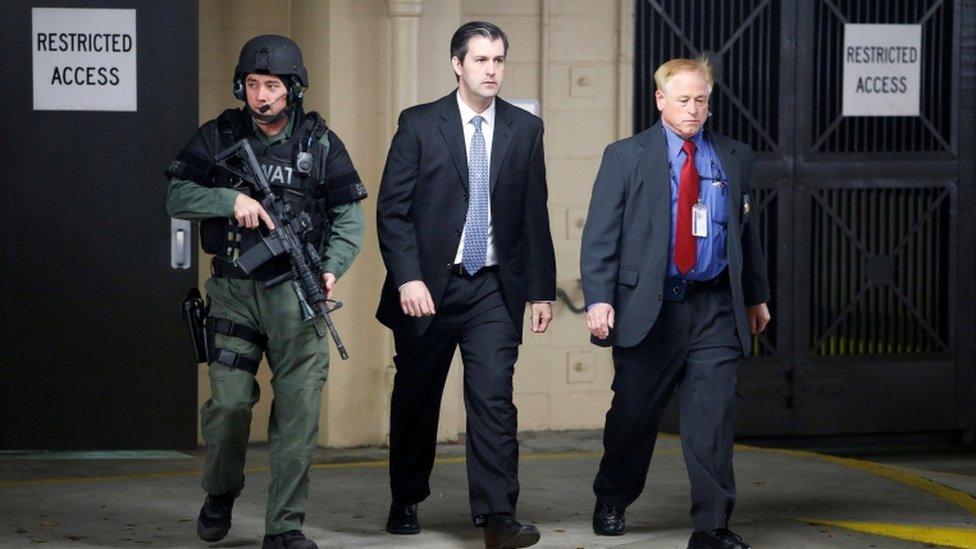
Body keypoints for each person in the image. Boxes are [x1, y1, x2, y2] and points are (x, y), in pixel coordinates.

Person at [166, 34, 366, 549]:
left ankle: (284, 526)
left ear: (292, 89)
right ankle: (221, 490)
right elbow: (176, 194)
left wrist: (331, 269)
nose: (261, 96)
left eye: (272, 85)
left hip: (296, 297)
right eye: (253, 84)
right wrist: (229, 199)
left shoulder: (321, 143)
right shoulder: (220, 134)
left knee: (298, 416)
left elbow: (348, 217)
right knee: (229, 407)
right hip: (234, 290)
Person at [375, 21, 556, 549]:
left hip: (493, 290)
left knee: (495, 399)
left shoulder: (525, 129)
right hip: (427, 288)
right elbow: (393, 211)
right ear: (458, 64)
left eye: (498, 60)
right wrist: (406, 277)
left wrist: (540, 290)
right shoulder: (419, 124)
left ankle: (498, 516)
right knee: (416, 397)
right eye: (481, 60)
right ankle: (405, 497)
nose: (492, 70)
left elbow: (533, 214)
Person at [580, 56, 771, 549]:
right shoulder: (625, 156)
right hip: (651, 307)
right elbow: (600, 236)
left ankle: (711, 527)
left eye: (701, 100)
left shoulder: (733, 156)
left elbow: (749, 237)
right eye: (683, 100)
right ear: (660, 100)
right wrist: (599, 300)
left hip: (714, 308)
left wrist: (756, 297)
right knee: (634, 415)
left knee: (711, 421)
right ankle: (612, 498)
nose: (693, 109)